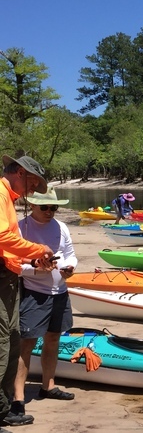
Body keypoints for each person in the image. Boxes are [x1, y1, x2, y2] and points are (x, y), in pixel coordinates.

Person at [4, 188, 78, 427]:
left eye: (53, 207)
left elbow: (70, 255)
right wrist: (36, 269)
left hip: (60, 292)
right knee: (26, 343)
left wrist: (68, 267)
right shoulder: (21, 228)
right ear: (32, 205)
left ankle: (49, 385)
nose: (49, 212)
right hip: (34, 294)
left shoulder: (61, 227)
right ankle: (18, 398)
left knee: (53, 338)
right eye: (44, 207)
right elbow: (14, 263)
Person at [0, 155, 55, 430]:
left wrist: (32, 261)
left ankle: (3, 407)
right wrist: (38, 250)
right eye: (33, 183)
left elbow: (7, 248)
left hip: (8, 276)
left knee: (11, 339)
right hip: (1, 279)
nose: (32, 191)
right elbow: (2, 238)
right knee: (1, 342)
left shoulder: (8, 198)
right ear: (19, 172)